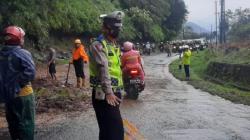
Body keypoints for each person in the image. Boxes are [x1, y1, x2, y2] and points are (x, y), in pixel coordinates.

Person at [89, 11, 125, 140]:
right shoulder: (98, 44)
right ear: (108, 29)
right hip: (104, 94)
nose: (118, 30)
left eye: (119, 28)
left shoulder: (113, 45)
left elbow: (116, 69)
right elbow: (103, 68)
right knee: (115, 132)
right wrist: (109, 92)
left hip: (114, 92)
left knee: (107, 131)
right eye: (116, 28)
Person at [0, 26, 36, 140]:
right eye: (22, 37)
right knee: (26, 123)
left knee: (13, 123)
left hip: (7, 96)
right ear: (18, 39)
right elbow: (30, 72)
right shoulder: (22, 53)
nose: (23, 40)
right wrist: (17, 84)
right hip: (23, 95)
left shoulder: (1, 54)